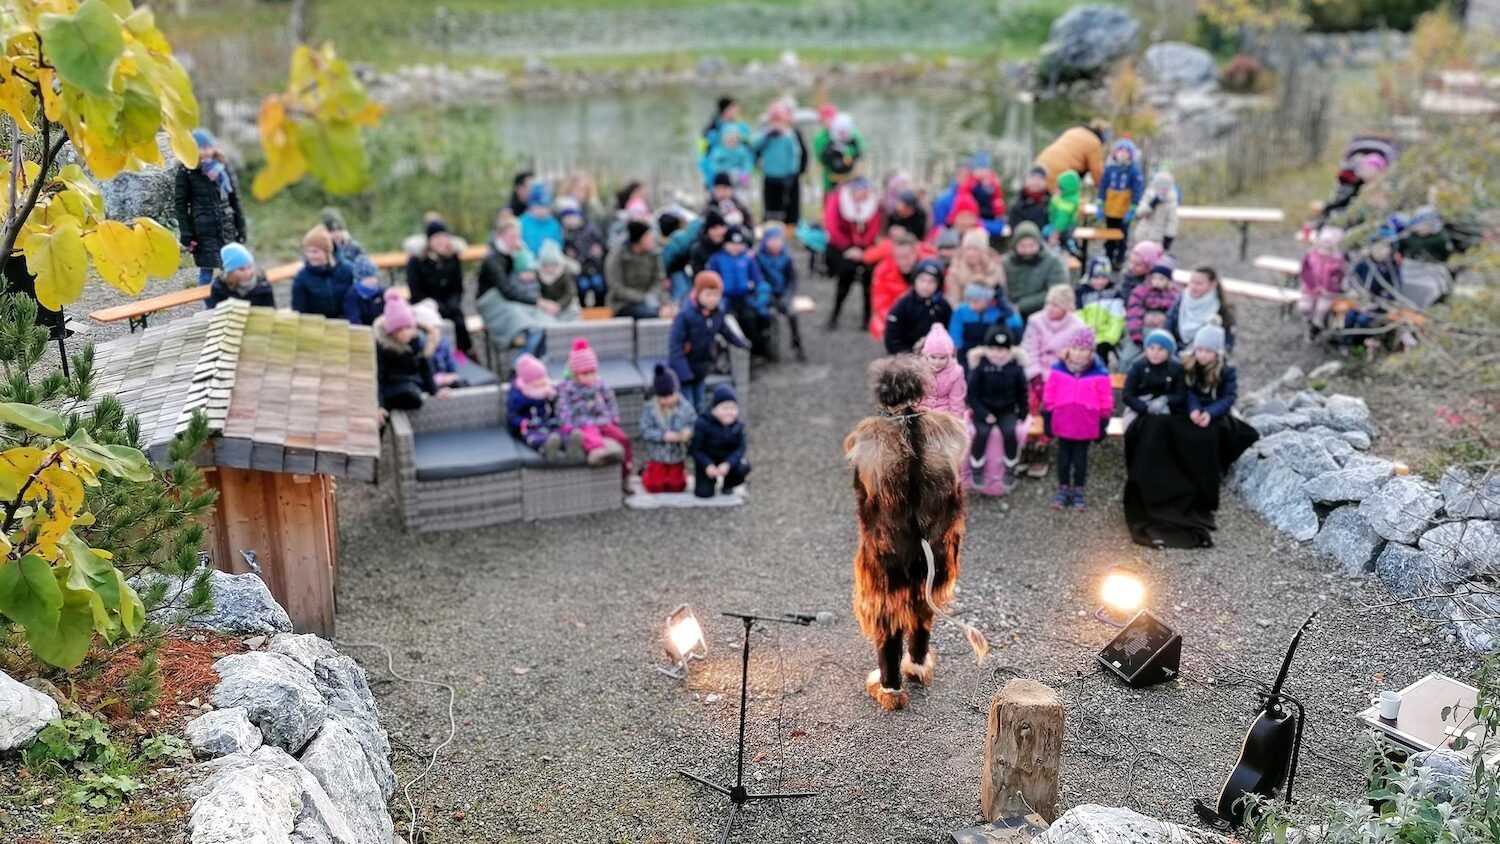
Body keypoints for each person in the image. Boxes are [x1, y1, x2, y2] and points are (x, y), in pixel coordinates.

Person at [843, 356, 970, 710]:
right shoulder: (948, 428)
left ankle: (890, 686)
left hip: (889, 547)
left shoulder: (868, 438)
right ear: (919, 390)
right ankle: (917, 661)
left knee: (888, 608)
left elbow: (863, 493)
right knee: (924, 597)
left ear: (882, 394)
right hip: (937, 542)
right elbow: (954, 486)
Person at [1124, 321, 1258, 549]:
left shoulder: (1226, 370)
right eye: (1200, 350)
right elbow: (1188, 392)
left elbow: (1228, 397)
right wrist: (1194, 409)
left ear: (1217, 352)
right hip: (1190, 411)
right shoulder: (1186, 365)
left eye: (1208, 351)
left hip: (1216, 411)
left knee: (1212, 437)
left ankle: (1206, 481)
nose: (1204, 355)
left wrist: (1210, 412)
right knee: (1173, 434)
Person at [1043, 327, 1113, 511]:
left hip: (1085, 426)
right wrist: (1047, 419)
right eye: (1076, 348)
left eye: (1084, 350)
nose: (1079, 353)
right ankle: (1064, 487)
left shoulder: (1100, 373)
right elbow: (1049, 396)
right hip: (1063, 423)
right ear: (1069, 350)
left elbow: (1105, 400)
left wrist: (1103, 422)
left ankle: (1079, 489)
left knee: (1080, 460)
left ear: (1091, 352)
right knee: (1064, 458)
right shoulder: (1058, 370)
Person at [1021, 284, 1088, 478]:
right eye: (1049, 303)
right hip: (1036, 372)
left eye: (1056, 305)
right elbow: (1029, 349)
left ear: (1066, 307)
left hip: (1060, 374)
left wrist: (1053, 377)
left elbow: (1075, 357)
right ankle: (1026, 442)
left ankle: (1042, 444)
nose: (1050, 308)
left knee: (1050, 406)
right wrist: (1034, 374)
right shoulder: (1035, 321)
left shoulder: (1078, 326)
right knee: (1029, 402)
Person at [175, 128, 247, 287]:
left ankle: (228, 300)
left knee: (228, 267)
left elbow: (235, 199)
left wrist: (241, 227)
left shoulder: (223, 168)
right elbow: (180, 204)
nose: (206, 151)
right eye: (201, 148)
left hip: (226, 227)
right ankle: (207, 305)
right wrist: (186, 232)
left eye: (208, 147)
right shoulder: (186, 172)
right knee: (206, 270)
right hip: (203, 231)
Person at [475, 218, 552, 359]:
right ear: (499, 236)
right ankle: (518, 369)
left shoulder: (514, 255)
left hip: (510, 301)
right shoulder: (492, 260)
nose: (515, 241)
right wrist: (538, 302)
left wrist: (523, 255)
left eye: (517, 237)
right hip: (493, 304)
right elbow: (507, 291)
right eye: (511, 237)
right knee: (533, 331)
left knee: (544, 327)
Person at [670, 271, 748, 411]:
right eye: (708, 295)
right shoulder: (685, 315)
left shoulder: (717, 312)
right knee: (687, 405)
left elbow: (725, 330)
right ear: (698, 293)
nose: (713, 299)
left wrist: (740, 342)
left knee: (700, 402)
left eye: (716, 295)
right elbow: (675, 346)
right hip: (685, 367)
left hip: (702, 366)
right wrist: (683, 372)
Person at [965, 325, 1028, 494]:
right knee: (982, 433)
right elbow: (973, 395)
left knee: (1010, 433)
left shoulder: (1016, 370)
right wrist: (983, 414)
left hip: (1006, 410)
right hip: (983, 410)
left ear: (1009, 351)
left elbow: (1022, 392)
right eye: (992, 349)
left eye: (1001, 350)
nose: (996, 353)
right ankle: (977, 465)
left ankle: (1010, 467)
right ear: (986, 349)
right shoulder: (980, 368)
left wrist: (1023, 412)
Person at [557, 338, 632, 477]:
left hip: (602, 420)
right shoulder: (567, 387)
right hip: (582, 421)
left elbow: (610, 399)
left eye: (593, 372)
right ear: (575, 374)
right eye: (585, 374)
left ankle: (625, 473)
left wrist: (613, 416)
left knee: (623, 439)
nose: (590, 377)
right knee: (590, 435)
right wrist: (566, 424)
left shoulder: (599, 382)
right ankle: (598, 453)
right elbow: (563, 407)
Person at [406, 218, 473, 356]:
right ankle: (439, 360)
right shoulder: (416, 261)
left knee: (458, 321)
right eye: (437, 238)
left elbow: (458, 287)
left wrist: (452, 303)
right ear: (429, 241)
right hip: (426, 307)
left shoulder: (453, 258)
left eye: (444, 237)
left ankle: (463, 355)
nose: (441, 241)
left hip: (450, 305)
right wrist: (437, 306)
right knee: (437, 328)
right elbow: (416, 292)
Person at [823, 177, 883, 330]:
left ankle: (867, 319)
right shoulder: (837, 200)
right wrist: (848, 247)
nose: (865, 196)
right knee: (844, 280)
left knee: (868, 283)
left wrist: (863, 247)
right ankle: (834, 316)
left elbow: (874, 227)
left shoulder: (872, 202)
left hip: (864, 248)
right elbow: (832, 226)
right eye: (862, 192)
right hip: (843, 247)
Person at [374, 291, 449, 411]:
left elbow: (426, 370)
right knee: (408, 394)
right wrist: (379, 406)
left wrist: (435, 391)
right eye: (399, 330)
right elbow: (379, 378)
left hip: (414, 383)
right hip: (394, 385)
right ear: (391, 332)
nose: (404, 333)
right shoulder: (384, 348)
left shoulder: (418, 342)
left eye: (408, 328)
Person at [706, 226, 768, 358]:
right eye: (732, 244)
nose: (735, 247)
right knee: (730, 323)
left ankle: (754, 352)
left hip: (745, 298)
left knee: (751, 320)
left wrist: (762, 294)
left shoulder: (748, 259)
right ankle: (731, 354)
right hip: (725, 300)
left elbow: (758, 280)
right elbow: (710, 282)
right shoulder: (716, 259)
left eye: (739, 244)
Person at [638, 365, 699, 494]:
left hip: (676, 454)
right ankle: (646, 472)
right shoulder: (650, 409)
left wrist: (688, 432)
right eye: (663, 397)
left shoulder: (685, 407)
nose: (667, 400)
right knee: (654, 487)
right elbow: (644, 430)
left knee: (677, 486)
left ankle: (677, 475)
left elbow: (694, 423)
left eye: (670, 395)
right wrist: (662, 436)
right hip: (657, 454)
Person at [755, 223, 805, 362]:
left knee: (792, 314)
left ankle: (796, 344)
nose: (776, 244)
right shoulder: (758, 258)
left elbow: (792, 281)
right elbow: (759, 280)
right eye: (772, 240)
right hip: (767, 295)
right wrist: (769, 297)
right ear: (765, 241)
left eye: (779, 240)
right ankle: (771, 349)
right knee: (770, 317)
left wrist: (787, 297)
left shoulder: (787, 258)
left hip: (783, 294)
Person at [507, 353, 571, 460]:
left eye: (543, 377)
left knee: (559, 432)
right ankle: (546, 448)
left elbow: (554, 406)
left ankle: (568, 445)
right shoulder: (519, 395)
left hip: (547, 423)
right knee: (535, 437)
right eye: (538, 379)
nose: (542, 381)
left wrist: (553, 397)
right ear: (529, 381)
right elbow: (512, 416)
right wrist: (523, 423)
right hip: (530, 426)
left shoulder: (548, 389)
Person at [753, 102, 808, 225]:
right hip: (770, 175)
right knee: (770, 203)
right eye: (773, 121)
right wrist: (766, 136)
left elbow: (795, 155)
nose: (776, 124)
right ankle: (770, 225)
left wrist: (793, 172)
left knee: (788, 203)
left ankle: (790, 226)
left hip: (786, 176)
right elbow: (754, 146)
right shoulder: (765, 135)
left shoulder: (789, 135)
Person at [884, 258, 952, 355]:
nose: (925, 285)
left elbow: (950, 333)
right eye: (922, 280)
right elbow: (892, 337)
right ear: (914, 281)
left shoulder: (943, 306)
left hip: (936, 357)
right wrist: (907, 356)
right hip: (906, 357)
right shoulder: (903, 304)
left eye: (931, 281)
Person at [692, 384, 749, 499]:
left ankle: (728, 484)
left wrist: (728, 463)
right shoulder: (702, 424)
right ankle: (710, 481)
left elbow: (740, 448)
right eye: (725, 408)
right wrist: (707, 465)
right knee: (704, 493)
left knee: (743, 467)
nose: (729, 412)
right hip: (708, 461)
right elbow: (695, 450)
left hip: (726, 460)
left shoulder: (738, 426)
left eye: (733, 408)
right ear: (714, 409)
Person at [1002, 221, 1068, 319]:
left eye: (1032, 245)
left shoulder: (1053, 262)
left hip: (1044, 313)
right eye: (1023, 246)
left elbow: (1056, 292)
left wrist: (1021, 306)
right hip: (1010, 312)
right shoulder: (1006, 263)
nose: (1028, 250)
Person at [867, 235, 928, 339]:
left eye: (906, 257)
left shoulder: (929, 268)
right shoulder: (883, 271)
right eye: (898, 257)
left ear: (916, 253)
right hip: (895, 315)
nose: (903, 261)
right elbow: (880, 304)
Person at [1121, 329, 1186, 428]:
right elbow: (1127, 395)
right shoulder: (1138, 366)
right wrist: (1144, 407)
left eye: (1161, 349)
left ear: (1168, 351)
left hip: (1168, 409)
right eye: (1151, 348)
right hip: (1140, 407)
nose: (1155, 353)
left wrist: (1166, 399)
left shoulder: (1176, 368)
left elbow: (1180, 394)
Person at [949, 282, 1021, 368]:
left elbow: (1017, 326)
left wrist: (1008, 311)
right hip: (966, 353)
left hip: (991, 353)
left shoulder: (997, 311)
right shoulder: (961, 310)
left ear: (987, 301)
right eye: (969, 300)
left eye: (976, 301)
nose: (971, 305)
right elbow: (955, 334)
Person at [605, 221, 667, 319]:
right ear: (639, 239)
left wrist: (652, 295)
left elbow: (658, 279)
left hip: (652, 299)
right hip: (624, 304)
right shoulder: (618, 256)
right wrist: (642, 298)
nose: (652, 239)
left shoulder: (653, 255)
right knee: (650, 315)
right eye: (648, 236)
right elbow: (616, 287)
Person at [292, 224, 355, 320]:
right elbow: (299, 311)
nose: (310, 256)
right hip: (316, 324)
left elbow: (355, 300)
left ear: (327, 252)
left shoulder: (347, 270)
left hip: (345, 321)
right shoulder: (302, 278)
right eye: (308, 252)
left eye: (315, 252)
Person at [1166, 266, 1236, 352]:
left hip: (1203, 357)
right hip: (1174, 351)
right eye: (1191, 282)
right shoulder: (1182, 300)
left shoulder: (1222, 310)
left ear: (1213, 285)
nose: (1193, 287)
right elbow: (1168, 325)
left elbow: (1227, 344)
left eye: (1199, 284)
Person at [1098, 139, 1144, 267]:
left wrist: (1133, 206)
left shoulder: (1134, 170)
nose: (1122, 154)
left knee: (1122, 236)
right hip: (1111, 208)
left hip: (1124, 208)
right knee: (1110, 234)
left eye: (1126, 152)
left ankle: (1119, 259)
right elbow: (1103, 186)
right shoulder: (1109, 169)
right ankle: (1108, 256)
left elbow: (1138, 189)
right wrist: (1100, 203)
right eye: (1120, 151)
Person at [1075, 256, 1127, 363]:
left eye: (1104, 278)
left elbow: (1117, 319)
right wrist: (1085, 337)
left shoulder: (1114, 294)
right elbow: (1078, 317)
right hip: (1084, 338)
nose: (1100, 282)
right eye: (1096, 278)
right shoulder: (1081, 293)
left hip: (1105, 339)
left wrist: (1109, 340)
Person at [1034, 119, 1110, 192]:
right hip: (1059, 175)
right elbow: (1098, 177)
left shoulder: (1074, 130)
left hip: (1040, 165)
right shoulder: (1095, 143)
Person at [1298, 227, 1346, 340]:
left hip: (1327, 291)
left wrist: (1329, 289)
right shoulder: (1311, 255)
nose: (1324, 251)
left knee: (1322, 308)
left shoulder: (1337, 260)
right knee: (1304, 307)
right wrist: (1313, 286)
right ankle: (1308, 321)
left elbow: (1338, 277)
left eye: (1328, 248)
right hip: (1310, 288)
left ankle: (1316, 327)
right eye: (1322, 246)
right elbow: (1305, 272)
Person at [560, 198, 608, 308]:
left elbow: (602, 245)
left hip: (594, 266)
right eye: (567, 217)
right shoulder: (566, 235)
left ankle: (600, 308)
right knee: (582, 286)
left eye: (572, 216)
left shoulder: (591, 229)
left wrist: (600, 250)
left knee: (598, 284)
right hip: (578, 269)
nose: (570, 220)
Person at [1125, 258, 1180, 350]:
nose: (1157, 281)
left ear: (1169, 281)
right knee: (1127, 359)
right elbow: (1133, 313)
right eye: (1154, 278)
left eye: (1161, 279)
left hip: (1164, 331)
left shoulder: (1175, 295)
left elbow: (1175, 316)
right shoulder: (1140, 291)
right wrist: (1136, 335)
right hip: (1142, 328)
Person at [917, 324, 966, 417]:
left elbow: (957, 400)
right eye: (933, 357)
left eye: (942, 358)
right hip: (921, 413)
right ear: (926, 355)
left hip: (945, 415)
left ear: (949, 356)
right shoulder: (917, 370)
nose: (937, 362)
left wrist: (956, 421)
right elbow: (913, 397)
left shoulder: (956, 372)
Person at [944, 229, 1004, 306]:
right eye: (968, 249)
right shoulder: (956, 269)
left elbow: (1002, 294)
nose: (971, 253)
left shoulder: (995, 267)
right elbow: (952, 300)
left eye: (975, 249)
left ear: (984, 251)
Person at [207, 243, 274, 309]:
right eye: (241, 269)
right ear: (230, 272)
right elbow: (214, 312)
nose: (248, 273)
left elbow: (271, 311)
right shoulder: (219, 288)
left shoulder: (262, 283)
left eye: (250, 267)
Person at [1133, 171, 1180, 251]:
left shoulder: (1171, 201)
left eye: (1165, 188)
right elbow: (1139, 213)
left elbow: (1172, 221)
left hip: (1157, 239)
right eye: (1160, 187)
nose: (1162, 190)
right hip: (1143, 235)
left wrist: (1168, 238)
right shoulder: (1148, 196)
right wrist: (1151, 205)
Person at [818, 114, 864, 192]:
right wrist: (833, 150)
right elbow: (823, 159)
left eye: (844, 132)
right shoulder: (831, 143)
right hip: (833, 179)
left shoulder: (852, 142)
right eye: (840, 132)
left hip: (849, 178)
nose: (842, 135)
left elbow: (859, 154)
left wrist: (849, 151)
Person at [536, 241, 581, 320]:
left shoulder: (564, 275)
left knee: (574, 310)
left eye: (553, 265)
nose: (550, 269)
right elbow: (535, 294)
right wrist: (546, 305)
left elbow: (569, 294)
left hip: (564, 307)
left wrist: (559, 305)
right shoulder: (537, 276)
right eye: (547, 265)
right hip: (545, 308)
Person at [707, 126, 755, 194]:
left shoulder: (741, 150)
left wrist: (745, 173)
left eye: (734, 138)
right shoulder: (718, 151)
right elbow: (714, 163)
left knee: (740, 193)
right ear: (724, 139)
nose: (731, 140)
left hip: (738, 178)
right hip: (723, 177)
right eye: (729, 138)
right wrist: (721, 171)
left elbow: (747, 162)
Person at [520, 184, 564, 256]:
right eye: (538, 206)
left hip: (549, 262)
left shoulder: (554, 225)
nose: (542, 210)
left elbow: (559, 246)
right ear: (530, 207)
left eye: (545, 206)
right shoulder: (522, 223)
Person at [1007, 165, 1051, 235]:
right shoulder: (1017, 204)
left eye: (1040, 178)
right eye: (1033, 178)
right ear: (1026, 180)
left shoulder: (1051, 203)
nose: (1036, 182)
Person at [1046, 171, 1082, 253]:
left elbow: (1062, 219)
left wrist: (1056, 232)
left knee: (1045, 234)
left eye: (1059, 187)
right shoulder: (1066, 198)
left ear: (1066, 189)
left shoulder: (1067, 202)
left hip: (1063, 230)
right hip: (1065, 227)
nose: (1057, 189)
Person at [343, 259, 386, 326]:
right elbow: (353, 319)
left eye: (374, 276)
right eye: (368, 277)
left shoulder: (382, 293)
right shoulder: (352, 295)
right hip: (362, 332)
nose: (373, 280)